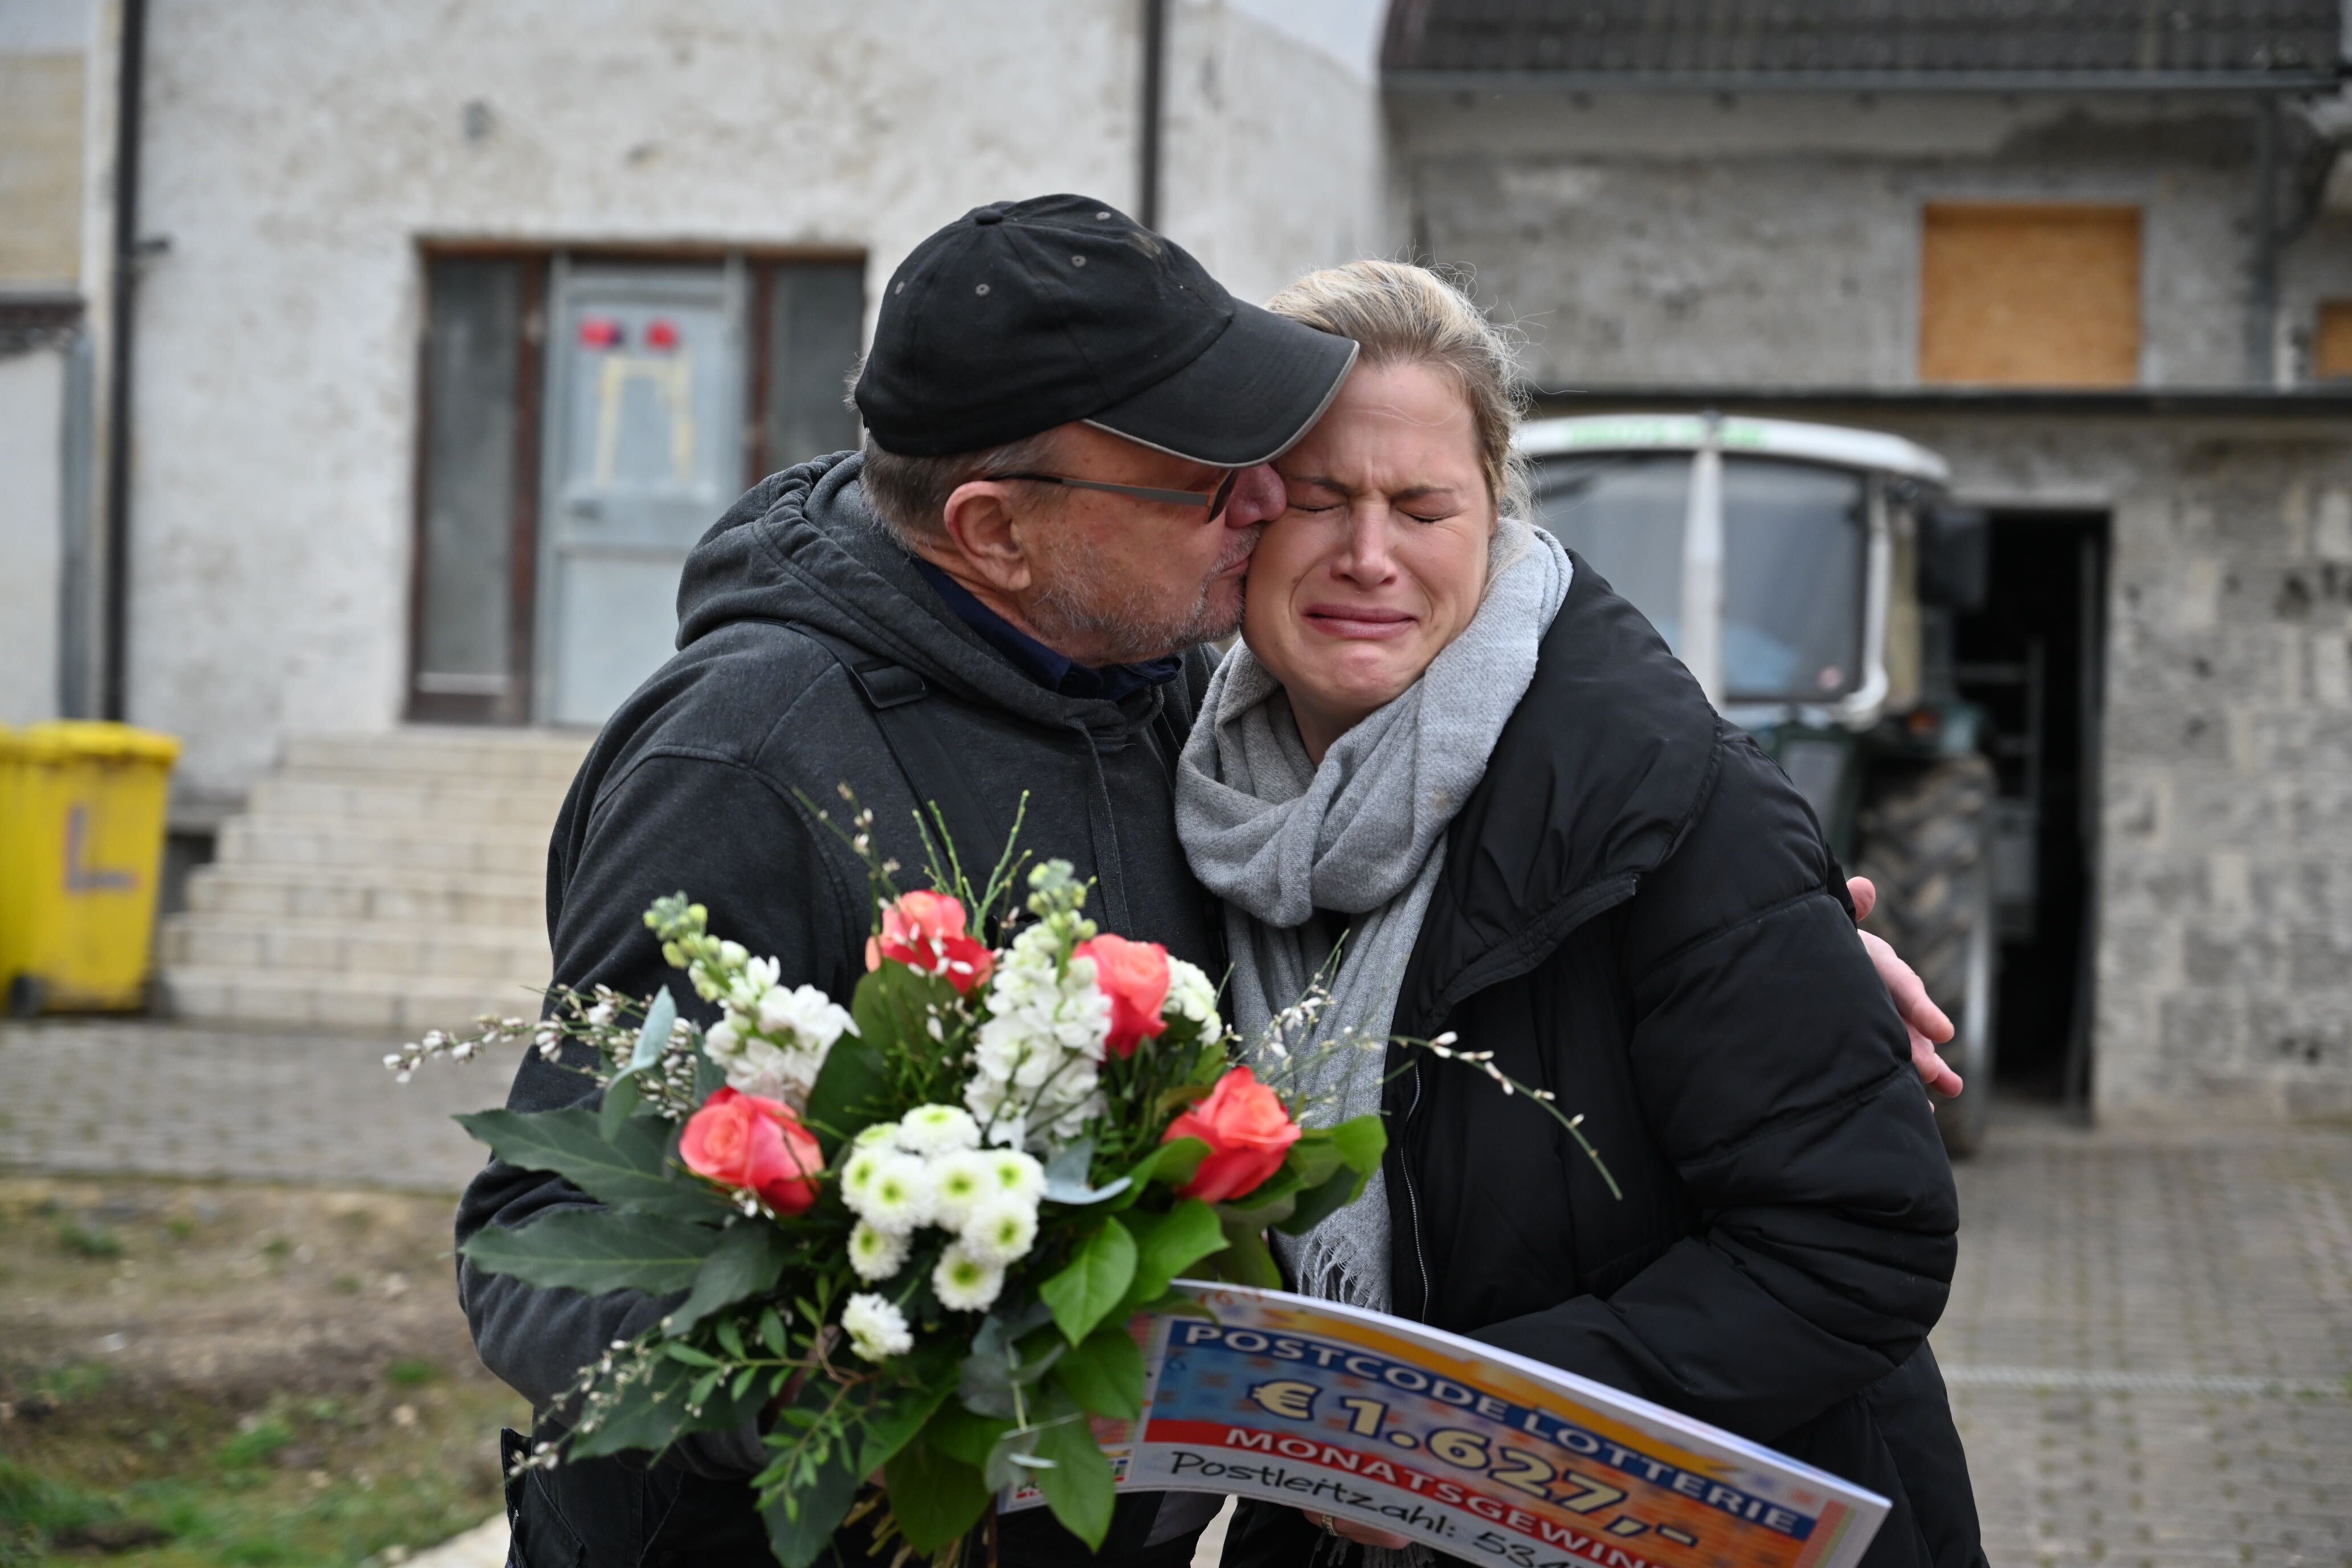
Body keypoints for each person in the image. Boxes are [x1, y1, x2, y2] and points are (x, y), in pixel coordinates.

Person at [455, 198, 1962, 1567]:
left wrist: (1787, 954)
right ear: (997, 533)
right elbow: (543, 1237)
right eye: (1206, 482)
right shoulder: (742, 763)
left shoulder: (1175, 711)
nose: (1260, 509)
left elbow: (1496, 863)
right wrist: (892, 1377)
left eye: (1270, 470)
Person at [1174, 262, 1983, 1568]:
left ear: (1493, 514)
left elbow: (1855, 1240)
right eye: (1319, 499)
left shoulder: (1674, 804)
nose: (1368, 555)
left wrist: (1438, 1431)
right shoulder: (1192, 794)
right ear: (1243, 518)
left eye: (1422, 505)